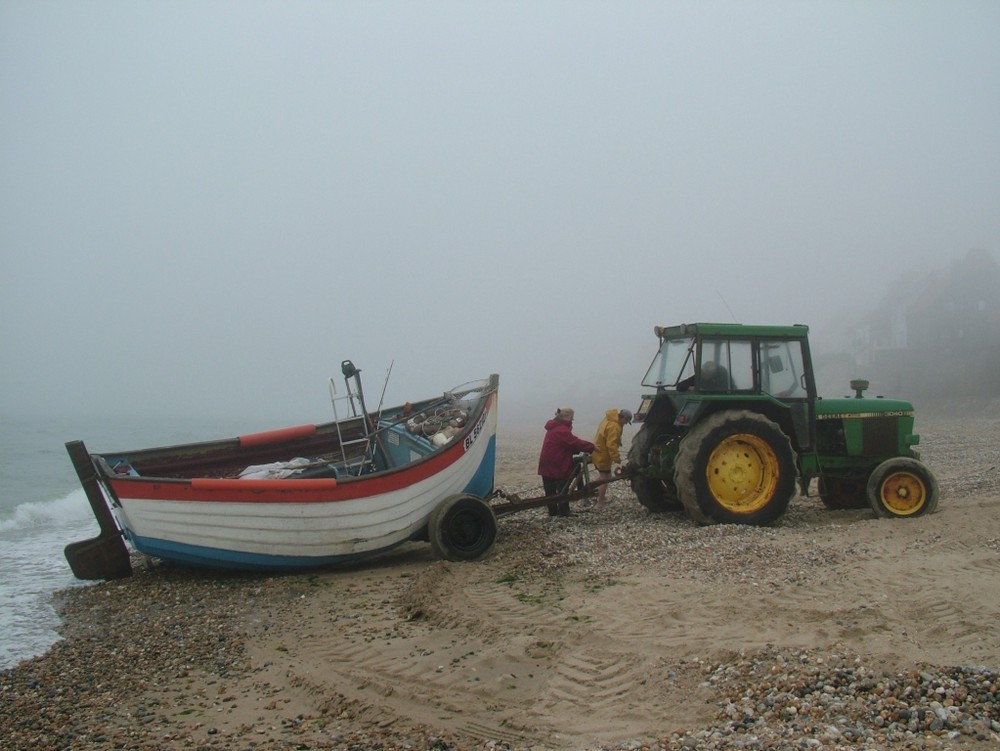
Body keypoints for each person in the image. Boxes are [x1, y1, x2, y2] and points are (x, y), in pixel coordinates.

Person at [537, 407, 595, 517]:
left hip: (546, 462)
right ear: (568, 417)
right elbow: (574, 442)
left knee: (549, 489)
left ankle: (553, 511)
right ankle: (564, 511)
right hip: (557, 463)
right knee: (563, 487)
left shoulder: (553, 427)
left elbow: (565, 444)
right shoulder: (562, 430)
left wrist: (576, 449)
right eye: (572, 419)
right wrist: (592, 447)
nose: (572, 421)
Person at [591, 408, 633, 507]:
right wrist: (616, 458)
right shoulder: (615, 426)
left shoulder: (608, 419)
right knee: (605, 478)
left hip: (597, 452)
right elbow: (611, 445)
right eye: (626, 421)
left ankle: (590, 488)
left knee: (605, 476)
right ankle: (600, 502)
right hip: (603, 455)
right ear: (622, 417)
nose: (626, 423)